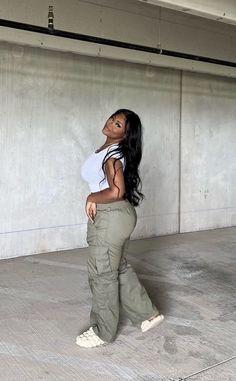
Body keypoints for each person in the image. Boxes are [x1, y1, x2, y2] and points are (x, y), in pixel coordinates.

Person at [76, 109, 164, 348]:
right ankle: (147, 313)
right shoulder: (108, 151)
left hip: (111, 216)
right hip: (117, 215)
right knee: (117, 267)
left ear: (125, 134)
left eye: (118, 125)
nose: (111, 124)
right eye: (112, 119)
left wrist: (91, 197)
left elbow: (116, 191)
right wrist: (95, 198)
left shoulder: (113, 156)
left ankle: (103, 332)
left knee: (102, 274)